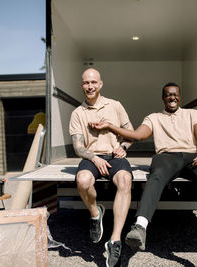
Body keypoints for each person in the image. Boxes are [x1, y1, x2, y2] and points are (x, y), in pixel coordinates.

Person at [89, 82, 197, 265]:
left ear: (179, 96)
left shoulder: (192, 113)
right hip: (166, 156)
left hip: (193, 156)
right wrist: (110, 126)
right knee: (156, 176)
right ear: (163, 98)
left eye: (175, 94)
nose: (172, 97)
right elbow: (138, 135)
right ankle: (140, 227)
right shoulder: (153, 117)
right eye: (168, 95)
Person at [69, 68, 134, 267]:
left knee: (125, 180)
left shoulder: (115, 105)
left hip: (114, 155)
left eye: (94, 82)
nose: (90, 86)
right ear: (82, 86)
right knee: (82, 181)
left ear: (101, 84)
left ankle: (114, 241)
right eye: (86, 83)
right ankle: (96, 214)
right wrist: (95, 159)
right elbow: (78, 147)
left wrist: (123, 147)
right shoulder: (77, 113)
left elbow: (130, 131)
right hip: (91, 156)